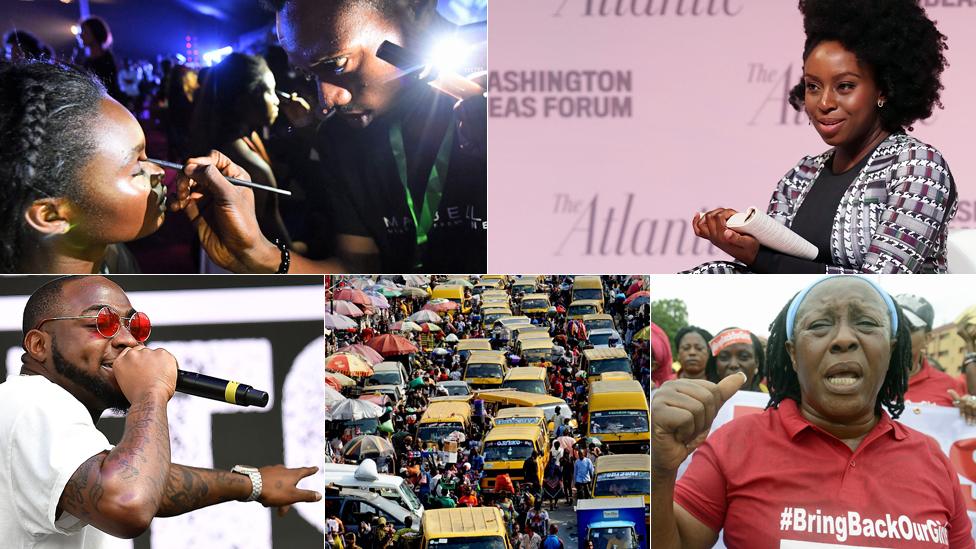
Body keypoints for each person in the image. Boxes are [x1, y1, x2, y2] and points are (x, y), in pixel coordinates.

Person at [652, 276, 974, 548]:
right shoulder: (734, 442)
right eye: (819, 325)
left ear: (890, 349)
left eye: (866, 323)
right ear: (792, 354)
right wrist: (660, 472)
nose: (844, 339)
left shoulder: (932, 458)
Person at [0, 276, 321, 545]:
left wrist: (253, 483)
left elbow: (145, 482)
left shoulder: (42, 417)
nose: (127, 340)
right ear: (39, 345)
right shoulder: (30, 402)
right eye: (103, 322)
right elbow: (128, 501)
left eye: (134, 326)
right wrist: (151, 391)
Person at [187, 0, 489, 274]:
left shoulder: (508, 104)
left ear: (417, 8)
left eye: (336, 64)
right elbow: (356, 269)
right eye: (309, 75)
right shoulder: (340, 138)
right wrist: (257, 253)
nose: (326, 99)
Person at [686, 0, 955, 274]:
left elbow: (881, 285)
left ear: (883, 90)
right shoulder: (801, 176)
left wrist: (761, 257)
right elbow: (764, 274)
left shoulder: (918, 166)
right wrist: (738, 241)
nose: (824, 102)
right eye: (813, 86)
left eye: (845, 86)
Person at [0, 60, 167, 273]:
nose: (159, 171)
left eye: (146, 157)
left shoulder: (117, 259)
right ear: (51, 215)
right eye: (136, 169)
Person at [189, 53, 292, 249]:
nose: (278, 100)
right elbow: (278, 244)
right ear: (245, 101)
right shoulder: (251, 168)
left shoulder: (236, 139)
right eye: (269, 91)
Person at [895, 294, 976, 423]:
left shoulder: (950, 388)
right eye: (891, 323)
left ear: (927, 338)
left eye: (908, 327)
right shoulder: (867, 380)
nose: (897, 333)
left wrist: (969, 415)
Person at [75, 16, 124, 102]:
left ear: (95, 33)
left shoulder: (106, 61)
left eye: (84, 31)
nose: (80, 35)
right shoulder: (86, 61)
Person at [704, 327, 766, 391]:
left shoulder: (769, 398)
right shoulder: (703, 398)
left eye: (743, 357)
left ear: (757, 363)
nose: (733, 364)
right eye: (724, 357)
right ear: (715, 364)